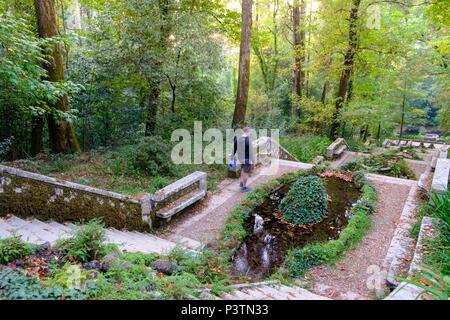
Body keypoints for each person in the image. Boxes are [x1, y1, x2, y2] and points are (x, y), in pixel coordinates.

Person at [232, 127, 255, 192]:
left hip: (240, 158)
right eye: (250, 132)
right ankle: (244, 187)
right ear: (248, 132)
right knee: (246, 172)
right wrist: (253, 161)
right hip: (247, 159)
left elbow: (234, 148)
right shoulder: (248, 140)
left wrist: (232, 157)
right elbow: (251, 152)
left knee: (243, 169)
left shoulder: (238, 139)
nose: (250, 133)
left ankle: (242, 182)